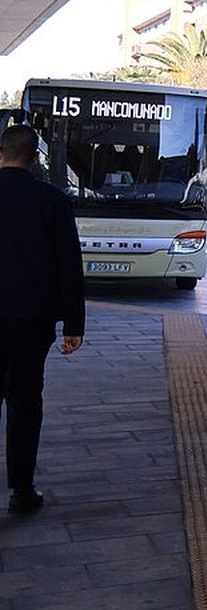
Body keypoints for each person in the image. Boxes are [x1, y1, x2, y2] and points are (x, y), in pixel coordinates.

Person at [0, 124, 85, 514]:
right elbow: (69, 266)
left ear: (0, 154)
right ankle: (21, 491)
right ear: (35, 158)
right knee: (25, 402)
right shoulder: (52, 200)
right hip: (32, 322)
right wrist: (74, 326)